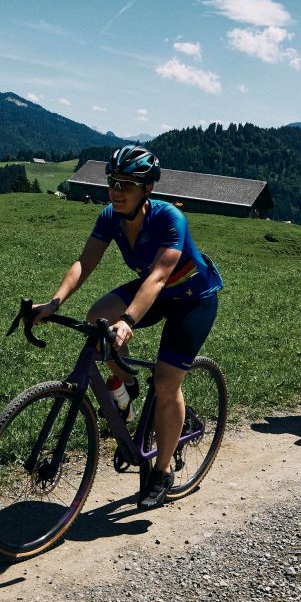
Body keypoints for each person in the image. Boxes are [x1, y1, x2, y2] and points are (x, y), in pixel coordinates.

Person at [33, 145, 223, 509]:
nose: (117, 191)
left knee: (167, 383)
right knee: (96, 316)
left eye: (127, 185)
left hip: (193, 298)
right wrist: (55, 302)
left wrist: (128, 321)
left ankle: (162, 472)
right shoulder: (110, 216)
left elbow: (158, 277)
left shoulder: (169, 220)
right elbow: (84, 262)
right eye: (113, 182)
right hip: (158, 292)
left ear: (147, 188)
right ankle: (129, 381)